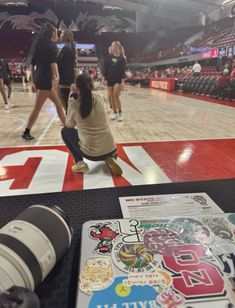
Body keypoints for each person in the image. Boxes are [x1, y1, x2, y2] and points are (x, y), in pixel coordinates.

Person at [61, 73, 122, 176]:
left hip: (92, 154)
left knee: (65, 131)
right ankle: (109, 158)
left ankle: (80, 163)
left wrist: (70, 99)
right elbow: (102, 102)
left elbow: (69, 125)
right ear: (92, 85)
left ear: (77, 86)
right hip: (110, 148)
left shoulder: (74, 103)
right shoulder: (100, 98)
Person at [22, 23, 65, 140]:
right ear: (52, 33)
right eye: (56, 31)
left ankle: (67, 128)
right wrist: (57, 76)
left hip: (41, 79)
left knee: (58, 104)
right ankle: (26, 131)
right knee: (37, 108)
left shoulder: (39, 46)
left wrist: (33, 81)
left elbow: (32, 65)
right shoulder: (52, 46)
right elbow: (53, 63)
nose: (57, 33)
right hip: (45, 81)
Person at [103, 41, 126, 122]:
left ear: (118, 47)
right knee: (111, 96)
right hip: (110, 79)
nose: (112, 47)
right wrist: (104, 78)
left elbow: (123, 71)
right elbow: (105, 69)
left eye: (113, 46)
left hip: (118, 79)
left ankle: (120, 113)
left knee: (116, 95)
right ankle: (114, 113)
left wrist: (122, 82)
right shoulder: (108, 57)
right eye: (111, 46)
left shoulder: (122, 58)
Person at [57, 29, 77, 113]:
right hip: (68, 75)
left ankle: (69, 116)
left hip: (65, 75)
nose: (60, 35)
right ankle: (69, 116)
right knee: (65, 97)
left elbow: (59, 62)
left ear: (66, 36)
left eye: (62, 33)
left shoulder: (66, 48)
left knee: (63, 97)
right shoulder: (70, 46)